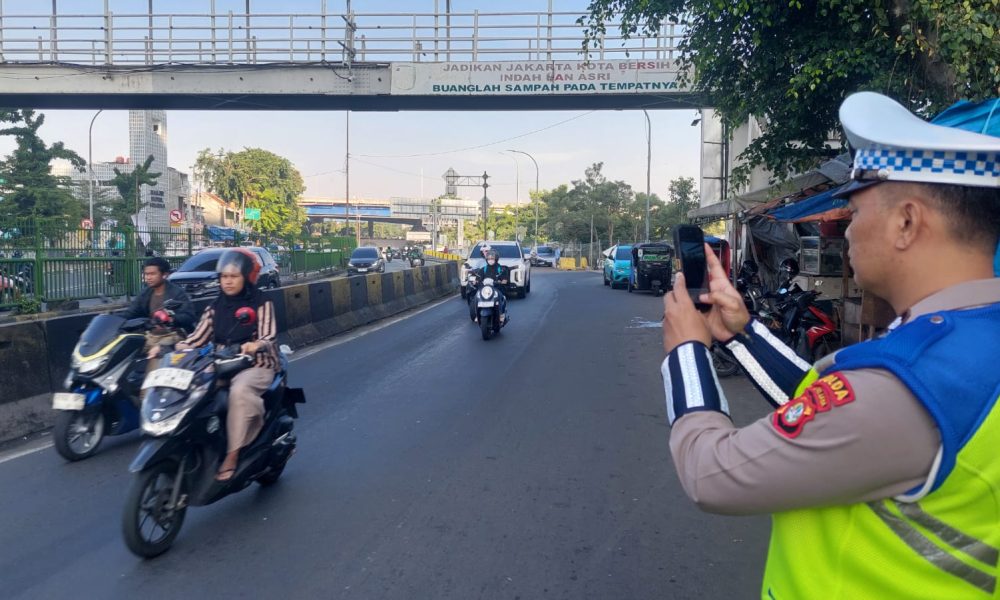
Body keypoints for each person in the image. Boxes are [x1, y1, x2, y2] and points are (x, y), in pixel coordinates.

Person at [660, 91, 1000, 599]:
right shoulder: (968, 338)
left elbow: (710, 474)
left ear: (906, 222)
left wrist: (686, 353)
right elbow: (833, 411)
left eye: (855, 211)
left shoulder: (917, 379)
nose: (845, 231)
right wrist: (742, 333)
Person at [174, 248, 281, 482]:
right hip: (222, 364)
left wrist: (255, 345)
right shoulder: (215, 307)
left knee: (239, 391)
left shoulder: (261, 303)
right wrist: (177, 347)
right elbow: (197, 337)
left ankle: (233, 454)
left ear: (245, 277)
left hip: (257, 365)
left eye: (234, 276)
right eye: (224, 277)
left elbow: (268, 335)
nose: (228, 281)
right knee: (191, 390)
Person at [120, 257, 196, 378]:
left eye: (152, 274)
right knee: (122, 350)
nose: (148, 277)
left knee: (156, 354)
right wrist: (114, 321)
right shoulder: (146, 293)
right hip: (151, 336)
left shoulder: (177, 293)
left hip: (173, 335)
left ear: (164, 275)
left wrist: (171, 319)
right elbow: (131, 312)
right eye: (146, 274)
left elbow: (189, 316)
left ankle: (147, 393)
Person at [472, 248, 510, 323]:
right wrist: (475, 281)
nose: (490, 260)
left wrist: (503, 281)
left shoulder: (501, 269)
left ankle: (501, 314)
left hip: (496, 288)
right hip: (485, 289)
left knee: (501, 297)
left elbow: (505, 279)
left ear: (496, 259)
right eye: (488, 258)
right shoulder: (483, 269)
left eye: (492, 258)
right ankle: (477, 314)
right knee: (476, 297)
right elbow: (478, 278)